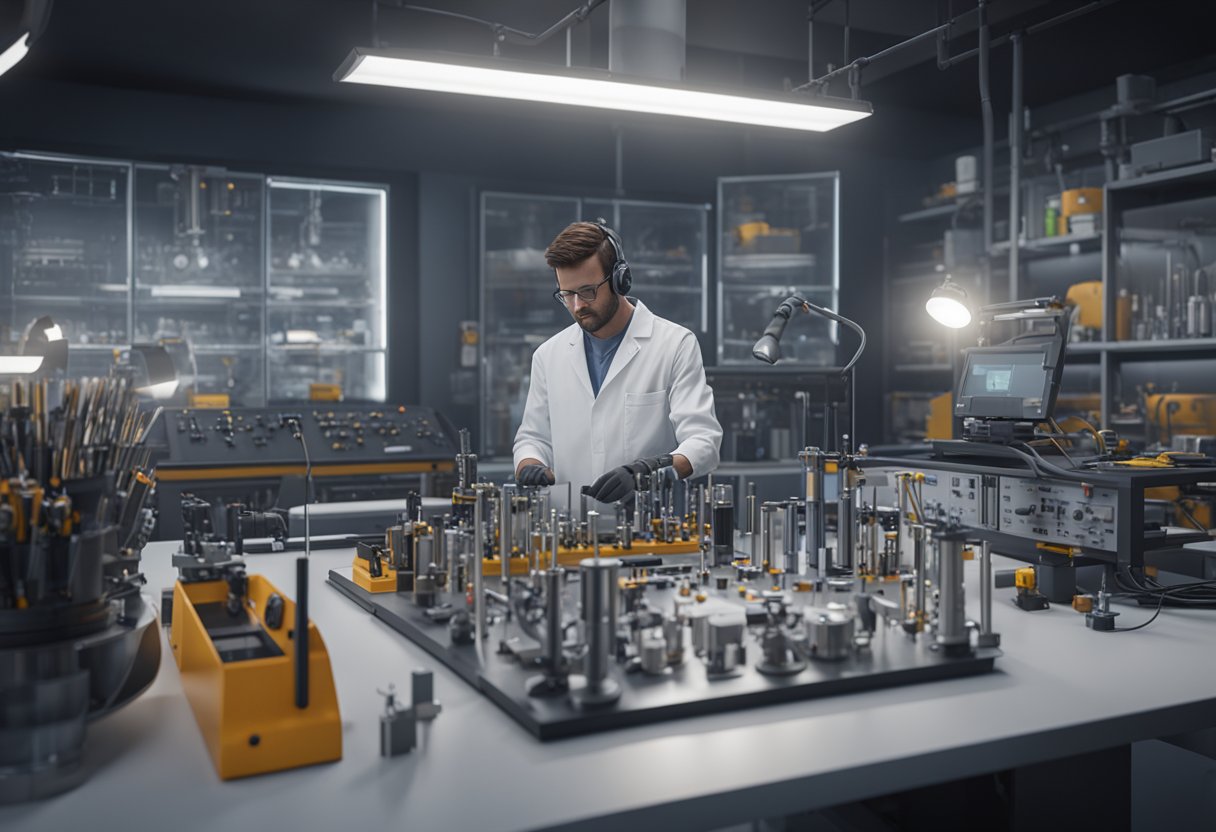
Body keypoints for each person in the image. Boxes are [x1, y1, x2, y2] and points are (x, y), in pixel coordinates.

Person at [513, 220, 721, 507]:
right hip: (569, 531)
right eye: (566, 295)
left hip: (645, 530)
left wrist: (648, 471)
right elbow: (533, 437)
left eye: (587, 291)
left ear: (619, 279)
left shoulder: (674, 345)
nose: (577, 306)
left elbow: (704, 443)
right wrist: (529, 464)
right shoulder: (549, 355)